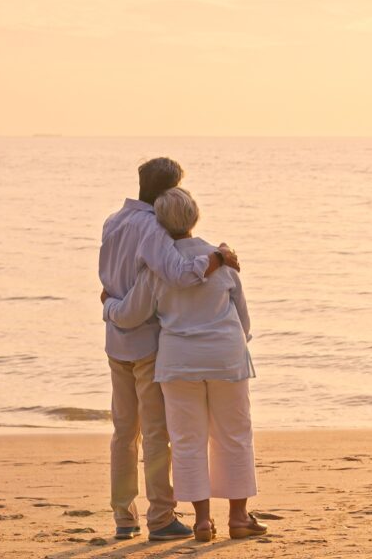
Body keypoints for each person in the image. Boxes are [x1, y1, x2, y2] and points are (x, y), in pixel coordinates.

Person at [103, 187, 265, 542]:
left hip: (178, 363)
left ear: (160, 223)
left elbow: (130, 316)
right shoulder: (222, 259)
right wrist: (234, 347)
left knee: (187, 440)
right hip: (226, 358)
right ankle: (238, 517)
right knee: (234, 436)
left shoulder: (157, 269)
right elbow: (244, 320)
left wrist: (108, 304)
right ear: (195, 217)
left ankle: (202, 522)